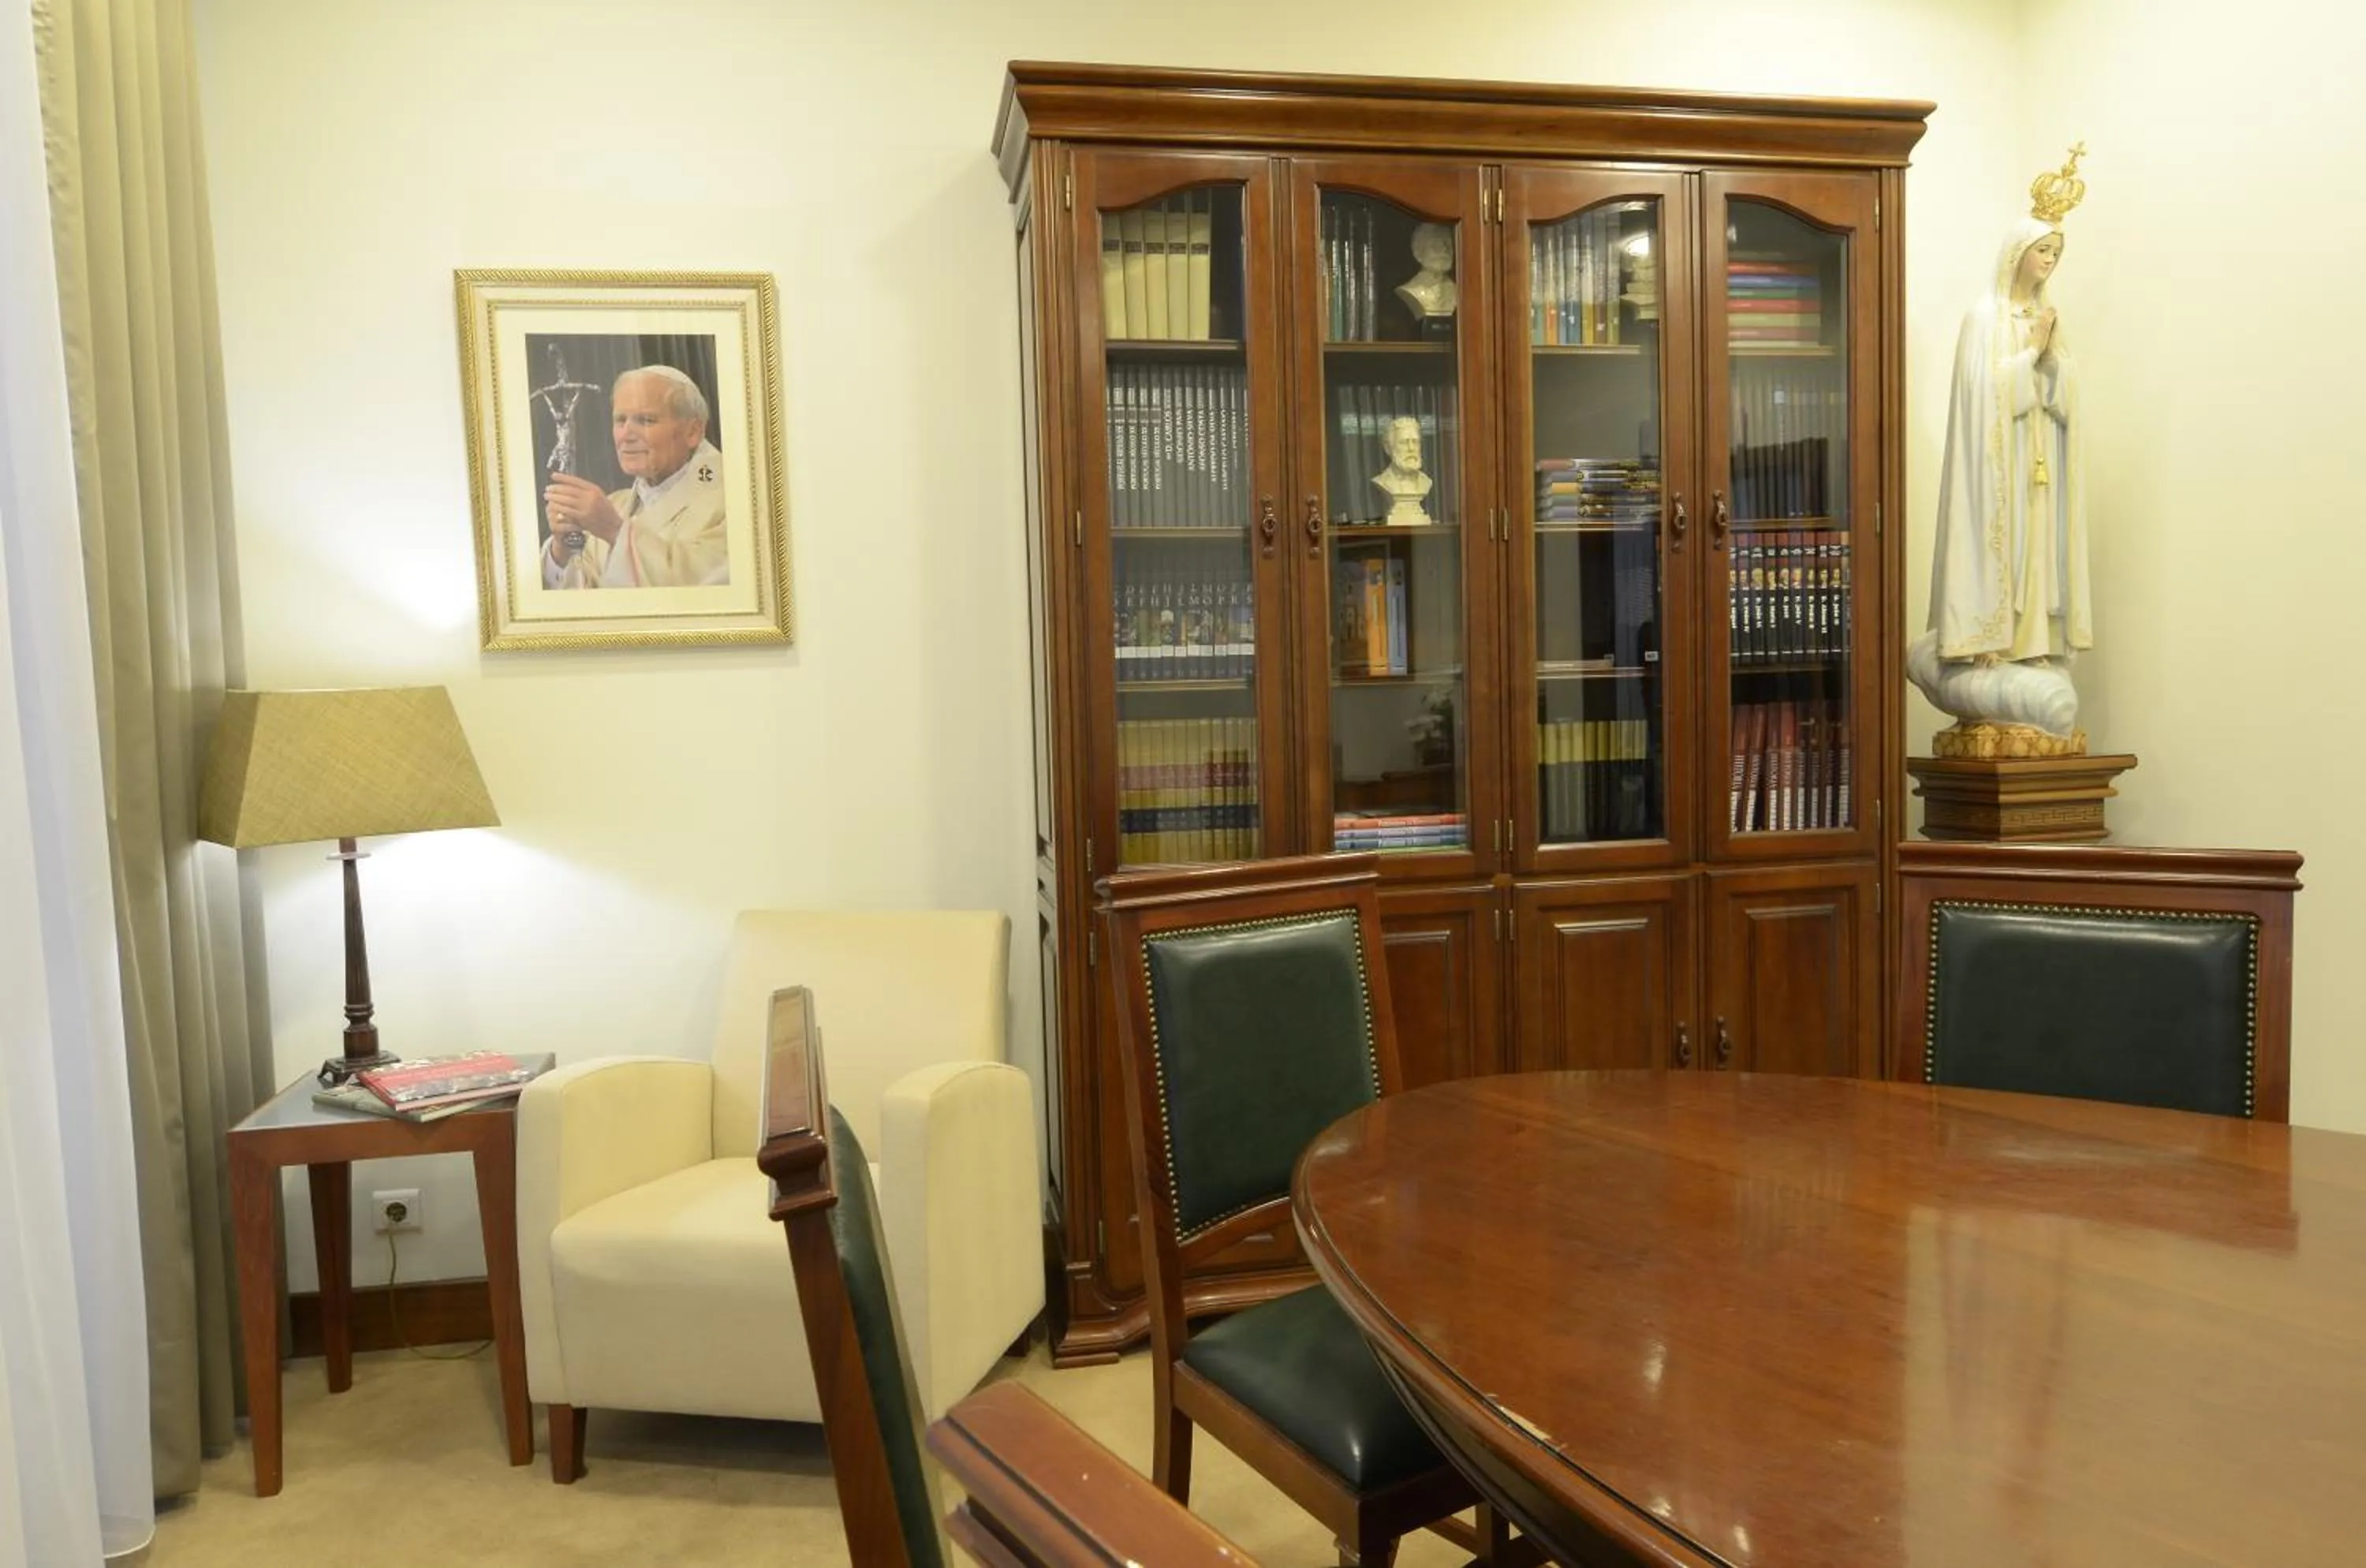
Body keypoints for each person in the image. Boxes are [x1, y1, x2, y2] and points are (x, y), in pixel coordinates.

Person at [1909, 147, 2092, 747]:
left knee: (2037, 550)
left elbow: (2063, 395)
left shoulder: (2044, 316)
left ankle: (2032, 644)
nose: (2048, 263)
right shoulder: (1984, 316)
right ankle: (1987, 639)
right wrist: (2029, 354)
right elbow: (1980, 394)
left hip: (2039, 463)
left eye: (2056, 254)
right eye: (2042, 251)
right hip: (1997, 467)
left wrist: (2050, 361)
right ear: (2017, 253)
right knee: (2002, 548)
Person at [542, 365, 730, 589]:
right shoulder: (614, 506)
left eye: (646, 420)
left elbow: (702, 585)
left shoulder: (735, 500)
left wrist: (615, 531)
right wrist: (562, 549)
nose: (626, 435)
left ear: (693, 432)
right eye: (620, 420)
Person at [1371, 413, 1433, 526]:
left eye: (1415, 442)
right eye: (1404, 442)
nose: (1411, 448)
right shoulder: (1382, 482)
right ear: (1388, 448)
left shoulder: (1426, 482)